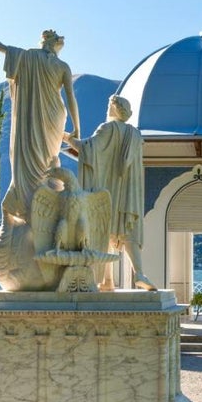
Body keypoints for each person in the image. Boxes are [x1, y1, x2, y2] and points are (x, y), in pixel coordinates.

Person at [0, 21, 81, 290]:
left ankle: (31, 212)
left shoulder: (27, 57)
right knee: (50, 165)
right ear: (55, 45)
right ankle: (39, 214)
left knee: (35, 164)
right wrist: (76, 129)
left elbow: (2, 48)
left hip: (33, 121)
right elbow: (70, 99)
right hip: (55, 119)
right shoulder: (61, 66)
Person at [67, 95, 156, 291]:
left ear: (114, 109)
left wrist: (66, 138)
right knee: (127, 230)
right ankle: (135, 274)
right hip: (128, 193)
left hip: (109, 191)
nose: (107, 109)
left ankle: (108, 280)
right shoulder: (135, 134)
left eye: (109, 106)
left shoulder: (107, 128)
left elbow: (87, 149)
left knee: (104, 231)